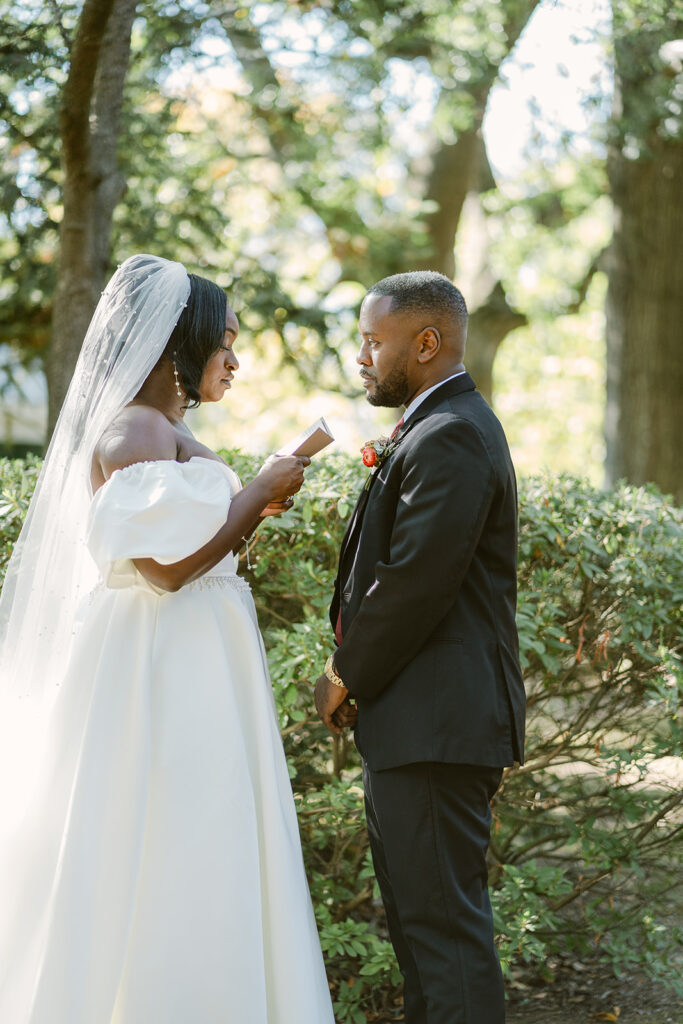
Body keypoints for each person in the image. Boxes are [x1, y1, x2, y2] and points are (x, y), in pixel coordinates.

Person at [0, 254, 335, 1023]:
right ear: (178, 342)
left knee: (211, 840)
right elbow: (162, 570)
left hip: (201, 661)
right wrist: (257, 490)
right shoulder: (131, 431)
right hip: (162, 669)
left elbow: (197, 546)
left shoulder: (166, 428)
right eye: (226, 341)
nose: (236, 359)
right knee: (174, 842)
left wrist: (251, 509)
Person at [314, 271, 526, 1024]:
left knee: (445, 937)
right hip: (418, 722)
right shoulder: (435, 426)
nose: (362, 357)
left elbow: (415, 582)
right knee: (419, 932)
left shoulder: (454, 432)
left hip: (439, 725)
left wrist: (344, 671)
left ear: (426, 343)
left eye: (374, 341)